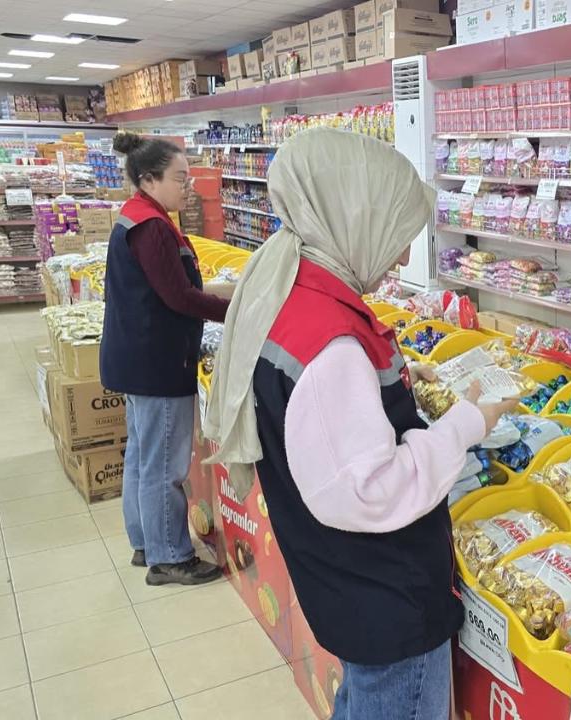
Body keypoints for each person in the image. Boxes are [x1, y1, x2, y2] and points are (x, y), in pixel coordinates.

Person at [202, 129, 517, 719]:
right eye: (397, 238)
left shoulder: (286, 288)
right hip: (383, 594)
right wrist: (468, 423)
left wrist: (396, 377)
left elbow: (323, 417)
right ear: (353, 218)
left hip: (342, 581)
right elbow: (369, 491)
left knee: (366, 699)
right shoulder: (329, 340)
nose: (401, 258)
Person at [100, 132, 229, 586]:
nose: (188, 186)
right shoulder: (152, 227)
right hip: (157, 363)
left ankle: (145, 541)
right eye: (180, 178)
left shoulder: (138, 216)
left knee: (141, 455)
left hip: (136, 359)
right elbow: (178, 297)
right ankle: (170, 556)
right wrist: (234, 311)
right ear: (149, 179)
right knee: (164, 466)